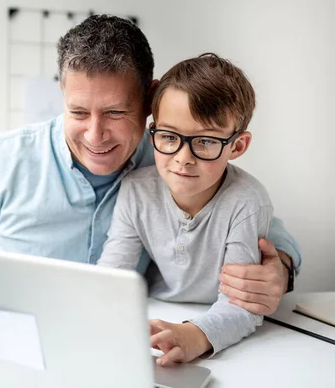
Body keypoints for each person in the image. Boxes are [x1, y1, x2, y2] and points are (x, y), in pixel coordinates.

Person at [0, 15, 301, 316]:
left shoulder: (173, 160)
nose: (95, 135)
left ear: (150, 99)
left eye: (116, 112)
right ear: (62, 95)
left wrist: (280, 268)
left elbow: (255, 218)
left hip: (123, 338)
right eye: (79, 111)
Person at [98, 53, 272, 365]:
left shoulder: (246, 201)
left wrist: (197, 336)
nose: (183, 158)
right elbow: (112, 277)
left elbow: (242, 304)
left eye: (204, 142)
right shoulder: (136, 190)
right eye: (168, 136)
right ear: (155, 131)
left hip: (218, 329)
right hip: (152, 316)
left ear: (237, 146)